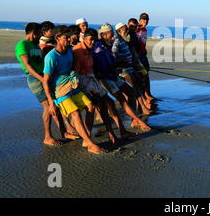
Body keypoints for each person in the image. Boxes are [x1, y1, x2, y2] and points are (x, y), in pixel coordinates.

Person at [42, 25, 105, 154]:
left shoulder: (70, 51)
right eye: (66, 38)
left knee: (91, 106)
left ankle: (86, 139)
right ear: (57, 38)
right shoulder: (51, 57)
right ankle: (90, 143)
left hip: (72, 86)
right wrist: (51, 103)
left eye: (69, 38)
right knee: (75, 114)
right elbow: (45, 81)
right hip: (60, 92)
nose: (69, 40)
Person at [15, 22, 78, 146]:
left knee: (55, 105)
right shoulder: (22, 45)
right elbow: (27, 65)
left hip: (43, 77)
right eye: (39, 33)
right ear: (33, 33)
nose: (40, 36)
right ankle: (48, 137)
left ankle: (63, 132)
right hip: (35, 79)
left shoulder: (35, 45)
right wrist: (42, 79)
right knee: (48, 107)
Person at [73, 28, 132, 142]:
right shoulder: (78, 52)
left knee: (109, 103)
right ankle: (89, 138)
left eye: (94, 40)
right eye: (90, 39)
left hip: (92, 79)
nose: (93, 42)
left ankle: (118, 132)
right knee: (97, 106)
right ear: (84, 38)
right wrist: (90, 91)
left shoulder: (89, 50)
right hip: (83, 81)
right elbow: (76, 74)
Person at [92, 23, 151, 131]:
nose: (113, 35)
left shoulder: (109, 44)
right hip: (105, 77)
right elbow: (102, 65)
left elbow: (113, 60)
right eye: (110, 33)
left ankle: (134, 119)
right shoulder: (99, 48)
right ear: (104, 35)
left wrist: (122, 63)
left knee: (131, 92)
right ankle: (135, 120)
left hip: (113, 74)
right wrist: (120, 65)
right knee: (121, 99)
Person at [113, 22, 153, 115]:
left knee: (139, 84)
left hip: (130, 68)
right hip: (122, 70)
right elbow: (113, 54)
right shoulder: (117, 41)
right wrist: (121, 62)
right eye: (124, 29)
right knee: (133, 88)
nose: (127, 30)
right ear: (119, 31)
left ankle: (141, 107)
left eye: (126, 29)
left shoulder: (125, 40)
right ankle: (136, 112)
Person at [136, 13, 158, 101]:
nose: (145, 21)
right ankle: (143, 96)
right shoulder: (137, 28)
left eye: (147, 19)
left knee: (146, 74)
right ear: (140, 19)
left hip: (143, 54)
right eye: (143, 19)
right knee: (141, 75)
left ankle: (148, 93)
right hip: (137, 56)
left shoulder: (145, 29)